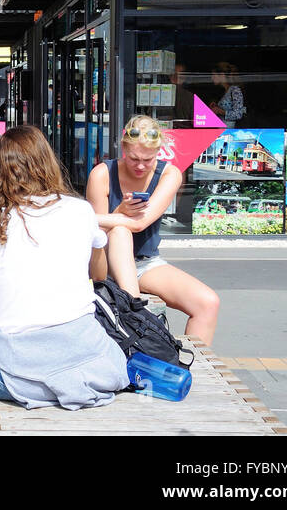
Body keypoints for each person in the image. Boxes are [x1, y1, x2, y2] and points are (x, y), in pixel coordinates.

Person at [0, 126, 129, 435]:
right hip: (89, 363)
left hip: (14, 370)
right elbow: (99, 276)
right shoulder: (81, 211)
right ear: (46, 162)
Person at [86, 113, 221, 345]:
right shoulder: (102, 174)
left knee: (208, 303)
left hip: (145, 262)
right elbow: (95, 233)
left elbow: (139, 223)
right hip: (104, 262)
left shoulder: (169, 174)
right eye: (133, 158)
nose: (140, 166)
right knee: (120, 232)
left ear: (159, 153)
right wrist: (119, 211)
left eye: (148, 160)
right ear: (123, 149)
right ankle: (136, 315)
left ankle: (191, 367)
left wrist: (113, 216)